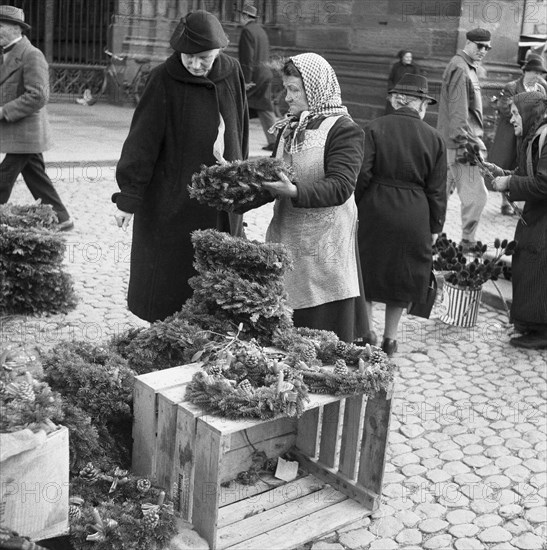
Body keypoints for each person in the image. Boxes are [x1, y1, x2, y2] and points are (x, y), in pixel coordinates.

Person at [112, 10, 248, 323]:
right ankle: (164, 339)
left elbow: (240, 128)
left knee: (216, 285)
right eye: (190, 58)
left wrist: (239, 183)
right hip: (171, 202)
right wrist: (129, 198)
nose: (197, 65)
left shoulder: (232, 71)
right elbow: (142, 141)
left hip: (219, 201)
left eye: (206, 58)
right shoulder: (163, 77)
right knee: (169, 285)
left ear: (218, 52)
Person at [262, 53, 369, 344]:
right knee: (287, 341)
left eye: (295, 89)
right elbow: (275, 176)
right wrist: (236, 184)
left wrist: (296, 192)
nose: (287, 97)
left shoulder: (343, 130)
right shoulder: (289, 128)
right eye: (286, 89)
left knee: (324, 345)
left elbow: (341, 186)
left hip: (326, 253)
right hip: (287, 244)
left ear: (316, 88)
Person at [356, 74, 447, 356]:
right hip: (414, 214)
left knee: (367, 272)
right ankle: (391, 339)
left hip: (375, 210)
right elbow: (437, 189)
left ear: (397, 100)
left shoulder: (373, 128)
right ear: (419, 104)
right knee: (401, 277)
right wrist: (435, 225)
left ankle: (365, 333)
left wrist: (354, 207)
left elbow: (361, 175)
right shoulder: (434, 138)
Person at [0, 5, 73, 231]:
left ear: (15, 28)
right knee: (36, 178)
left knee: (3, 178)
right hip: (18, 133)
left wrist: (3, 111)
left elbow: (39, 96)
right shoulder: (5, 53)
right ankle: (62, 218)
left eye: (0, 26)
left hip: (26, 132)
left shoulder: (31, 54)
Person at [486, 92, 547, 350]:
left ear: (527, 112)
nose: (511, 118)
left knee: (538, 266)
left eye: (514, 113)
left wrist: (510, 182)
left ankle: (542, 330)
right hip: (537, 214)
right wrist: (505, 174)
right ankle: (529, 322)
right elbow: (529, 173)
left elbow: (544, 183)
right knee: (528, 262)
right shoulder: (535, 136)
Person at [437, 27, 492, 250]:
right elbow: (459, 110)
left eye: (487, 47)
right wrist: (464, 143)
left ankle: (432, 236)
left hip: (454, 142)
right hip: (461, 144)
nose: (484, 51)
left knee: (439, 194)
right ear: (468, 43)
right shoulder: (461, 67)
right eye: (480, 46)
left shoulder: (465, 67)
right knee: (477, 196)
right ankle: (468, 241)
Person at [489, 54, 547, 215]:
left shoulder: (540, 89)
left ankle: (521, 201)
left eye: (540, 73)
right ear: (526, 71)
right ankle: (505, 202)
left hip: (529, 133)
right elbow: (504, 107)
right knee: (508, 163)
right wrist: (520, 115)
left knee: (525, 164)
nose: (538, 76)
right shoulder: (512, 86)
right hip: (510, 132)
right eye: (535, 72)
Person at [238, 3, 277, 151]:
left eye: (240, 16)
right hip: (265, 74)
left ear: (244, 16)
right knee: (264, 108)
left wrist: (246, 80)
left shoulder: (247, 31)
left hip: (254, 76)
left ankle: (233, 140)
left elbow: (247, 59)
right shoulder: (261, 31)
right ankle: (274, 142)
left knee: (238, 106)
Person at [385, 50, 420, 114]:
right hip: (395, 93)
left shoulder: (414, 68)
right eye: (407, 57)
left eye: (410, 57)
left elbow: (416, 81)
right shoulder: (396, 66)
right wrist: (392, 89)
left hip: (407, 95)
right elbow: (390, 79)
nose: (409, 59)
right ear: (402, 58)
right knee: (392, 112)